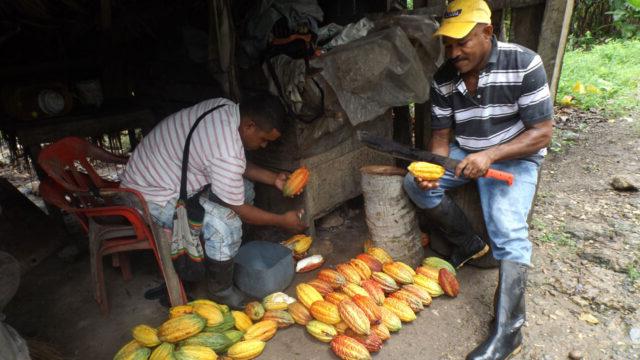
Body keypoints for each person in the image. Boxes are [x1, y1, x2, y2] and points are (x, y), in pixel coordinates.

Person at [403, 0, 554, 358]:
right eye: (448, 45)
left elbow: (542, 133)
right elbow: (440, 139)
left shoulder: (524, 63)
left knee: (507, 226)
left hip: (514, 157)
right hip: (466, 152)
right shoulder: (444, 78)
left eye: (462, 42)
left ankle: (509, 331)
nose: (454, 52)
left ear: (487, 32)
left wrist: (490, 155)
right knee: (414, 185)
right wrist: (434, 170)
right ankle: (468, 243)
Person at [120, 92, 307, 308]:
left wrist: (274, 178)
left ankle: (224, 254)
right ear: (249, 126)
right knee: (226, 224)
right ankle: (221, 289)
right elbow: (238, 202)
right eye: (263, 139)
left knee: (244, 190)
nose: (264, 146)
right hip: (146, 195)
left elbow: (234, 163)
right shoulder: (225, 149)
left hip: (165, 176)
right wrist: (282, 220)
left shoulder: (227, 109)